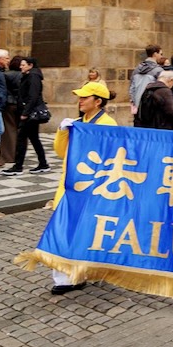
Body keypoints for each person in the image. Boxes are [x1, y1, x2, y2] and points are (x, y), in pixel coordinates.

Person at [50, 81, 117, 294]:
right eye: (79, 97)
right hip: (70, 187)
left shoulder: (107, 124)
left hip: (91, 190)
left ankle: (76, 275)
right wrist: (62, 132)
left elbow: (111, 158)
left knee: (81, 232)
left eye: (85, 97)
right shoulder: (79, 122)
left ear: (98, 101)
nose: (80, 100)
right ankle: (68, 276)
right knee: (66, 231)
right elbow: (62, 153)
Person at [1, 57, 50, 175]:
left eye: (23, 65)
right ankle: (43, 164)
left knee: (21, 138)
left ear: (30, 65)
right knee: (34, 138)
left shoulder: (33, 77)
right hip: (30, 112)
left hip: (30, 113)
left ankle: (18, 166)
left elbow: (32, 97)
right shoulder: (30, 75)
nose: (20, 67)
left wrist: (25, 113)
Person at [129, 44, 164, 126]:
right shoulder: (159, 70)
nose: (161, 56)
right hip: (153, 113)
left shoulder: (136, 70)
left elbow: (131, 90)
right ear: (155, 54)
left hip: (138, 110)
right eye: (160, 54)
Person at [0, 55, 23, 164]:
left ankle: (9, 156)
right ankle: (18, 154)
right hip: (20, 104)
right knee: (19, 130)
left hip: (9, 104)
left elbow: (3, 90)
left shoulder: (6, 75)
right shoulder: (24, 75)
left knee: (9, 130)